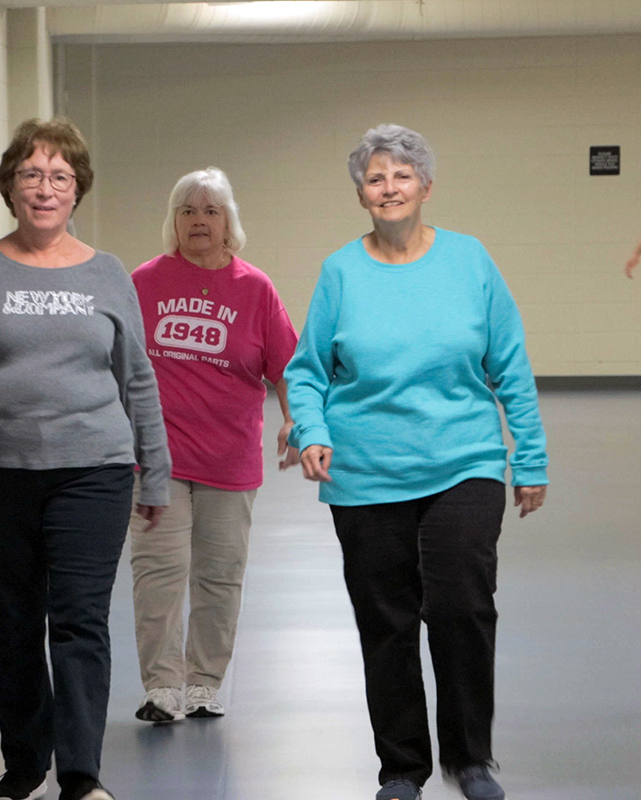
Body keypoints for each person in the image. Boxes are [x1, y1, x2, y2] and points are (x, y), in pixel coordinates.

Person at [284, 124, 549, 800]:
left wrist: (531, 458)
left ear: (425, 188)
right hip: (365, 472)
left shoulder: (469, 260)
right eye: (376, 178)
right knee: (387, 621)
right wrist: (311, 429)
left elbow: (511, 365)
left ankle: (472, 759)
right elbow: (308, 370)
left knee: (462, 607)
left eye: (402, 176)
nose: (389, 187)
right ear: (361, 195)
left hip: (465, 459)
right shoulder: (341, 270)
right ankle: (401, 769)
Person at [0, 118, 170, 800]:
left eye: (60, 176)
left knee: (80, 619)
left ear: (77, 190)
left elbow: (138, 377)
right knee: (11, 621)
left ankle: (82, 773)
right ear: (10, 185)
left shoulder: (108, 273)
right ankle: (25, 761)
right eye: (32, 174)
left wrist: (156, 469)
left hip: (93, 469)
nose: (45, 188)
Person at [128, 167, 299, 724]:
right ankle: (162, 686)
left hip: (230, 457)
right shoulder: (144, 282)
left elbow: (287, 368)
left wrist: (295, 419)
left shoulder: (255, 288)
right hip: (157, 460)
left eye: (210, 211)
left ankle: (203, 681)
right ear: (173, 222)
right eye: (187, 211)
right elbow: (111, 361)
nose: (199, 221)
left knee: (220, 574)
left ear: (229, 224)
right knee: (159, 572)